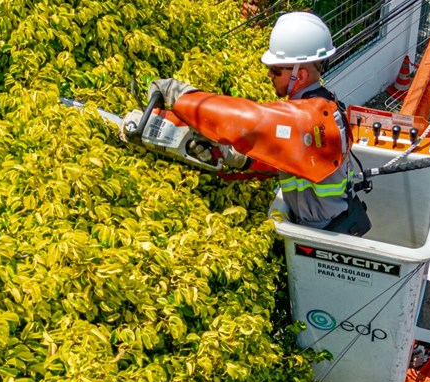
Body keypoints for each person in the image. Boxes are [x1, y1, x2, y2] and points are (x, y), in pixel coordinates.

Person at [143, 12, 371, 236]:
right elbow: (290, 155)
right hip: (331, 221)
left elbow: (245, 118)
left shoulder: (307, 118)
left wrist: (181, 96)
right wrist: (239, 158)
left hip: (323, 234)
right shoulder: (322, 105)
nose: (269, 75)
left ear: (299, 76)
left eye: (275, 70)